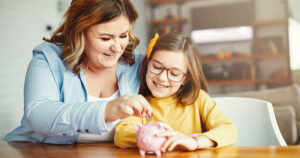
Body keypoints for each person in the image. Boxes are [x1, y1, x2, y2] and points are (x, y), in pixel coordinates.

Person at [3, 0, 152, 144]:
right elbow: (37, 113)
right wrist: (105, 111)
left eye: (123, 36)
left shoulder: (141, 64)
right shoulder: (49, 57)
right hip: (32, 151)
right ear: (79, 32)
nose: (118, 47)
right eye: (106, 38)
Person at [114, 33, 238, 151]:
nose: (162, 77)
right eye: (156, 67)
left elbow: (229, 130)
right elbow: (121, 135)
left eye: (174, 73)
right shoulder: (140, 103)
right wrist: (163, 139)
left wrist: (195, 141)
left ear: (186, 78)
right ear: (148, 64)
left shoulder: (199, 100)